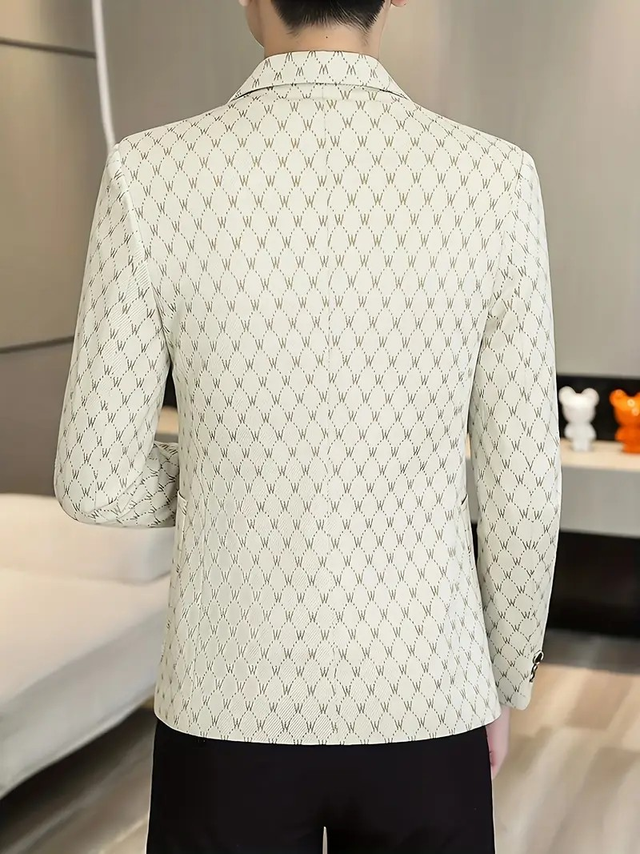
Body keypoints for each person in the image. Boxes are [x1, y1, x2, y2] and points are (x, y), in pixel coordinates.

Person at [54, 1, 562, 851]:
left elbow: (94, 475)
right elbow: (525, 490)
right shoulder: (495, 180)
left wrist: (231, 472)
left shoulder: (150, 173)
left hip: (225, 705)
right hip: (428, 694)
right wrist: (503, 682)